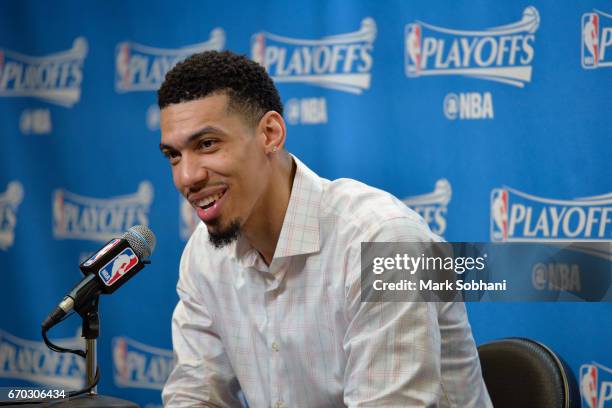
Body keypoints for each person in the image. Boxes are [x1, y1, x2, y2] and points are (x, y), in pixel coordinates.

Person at [158, 50, 492, 407]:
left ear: (270, 133)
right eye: (174, 155)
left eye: (207, 145)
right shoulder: (204, 253)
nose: (187, 177)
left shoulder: (383, 240)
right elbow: (194, 396)